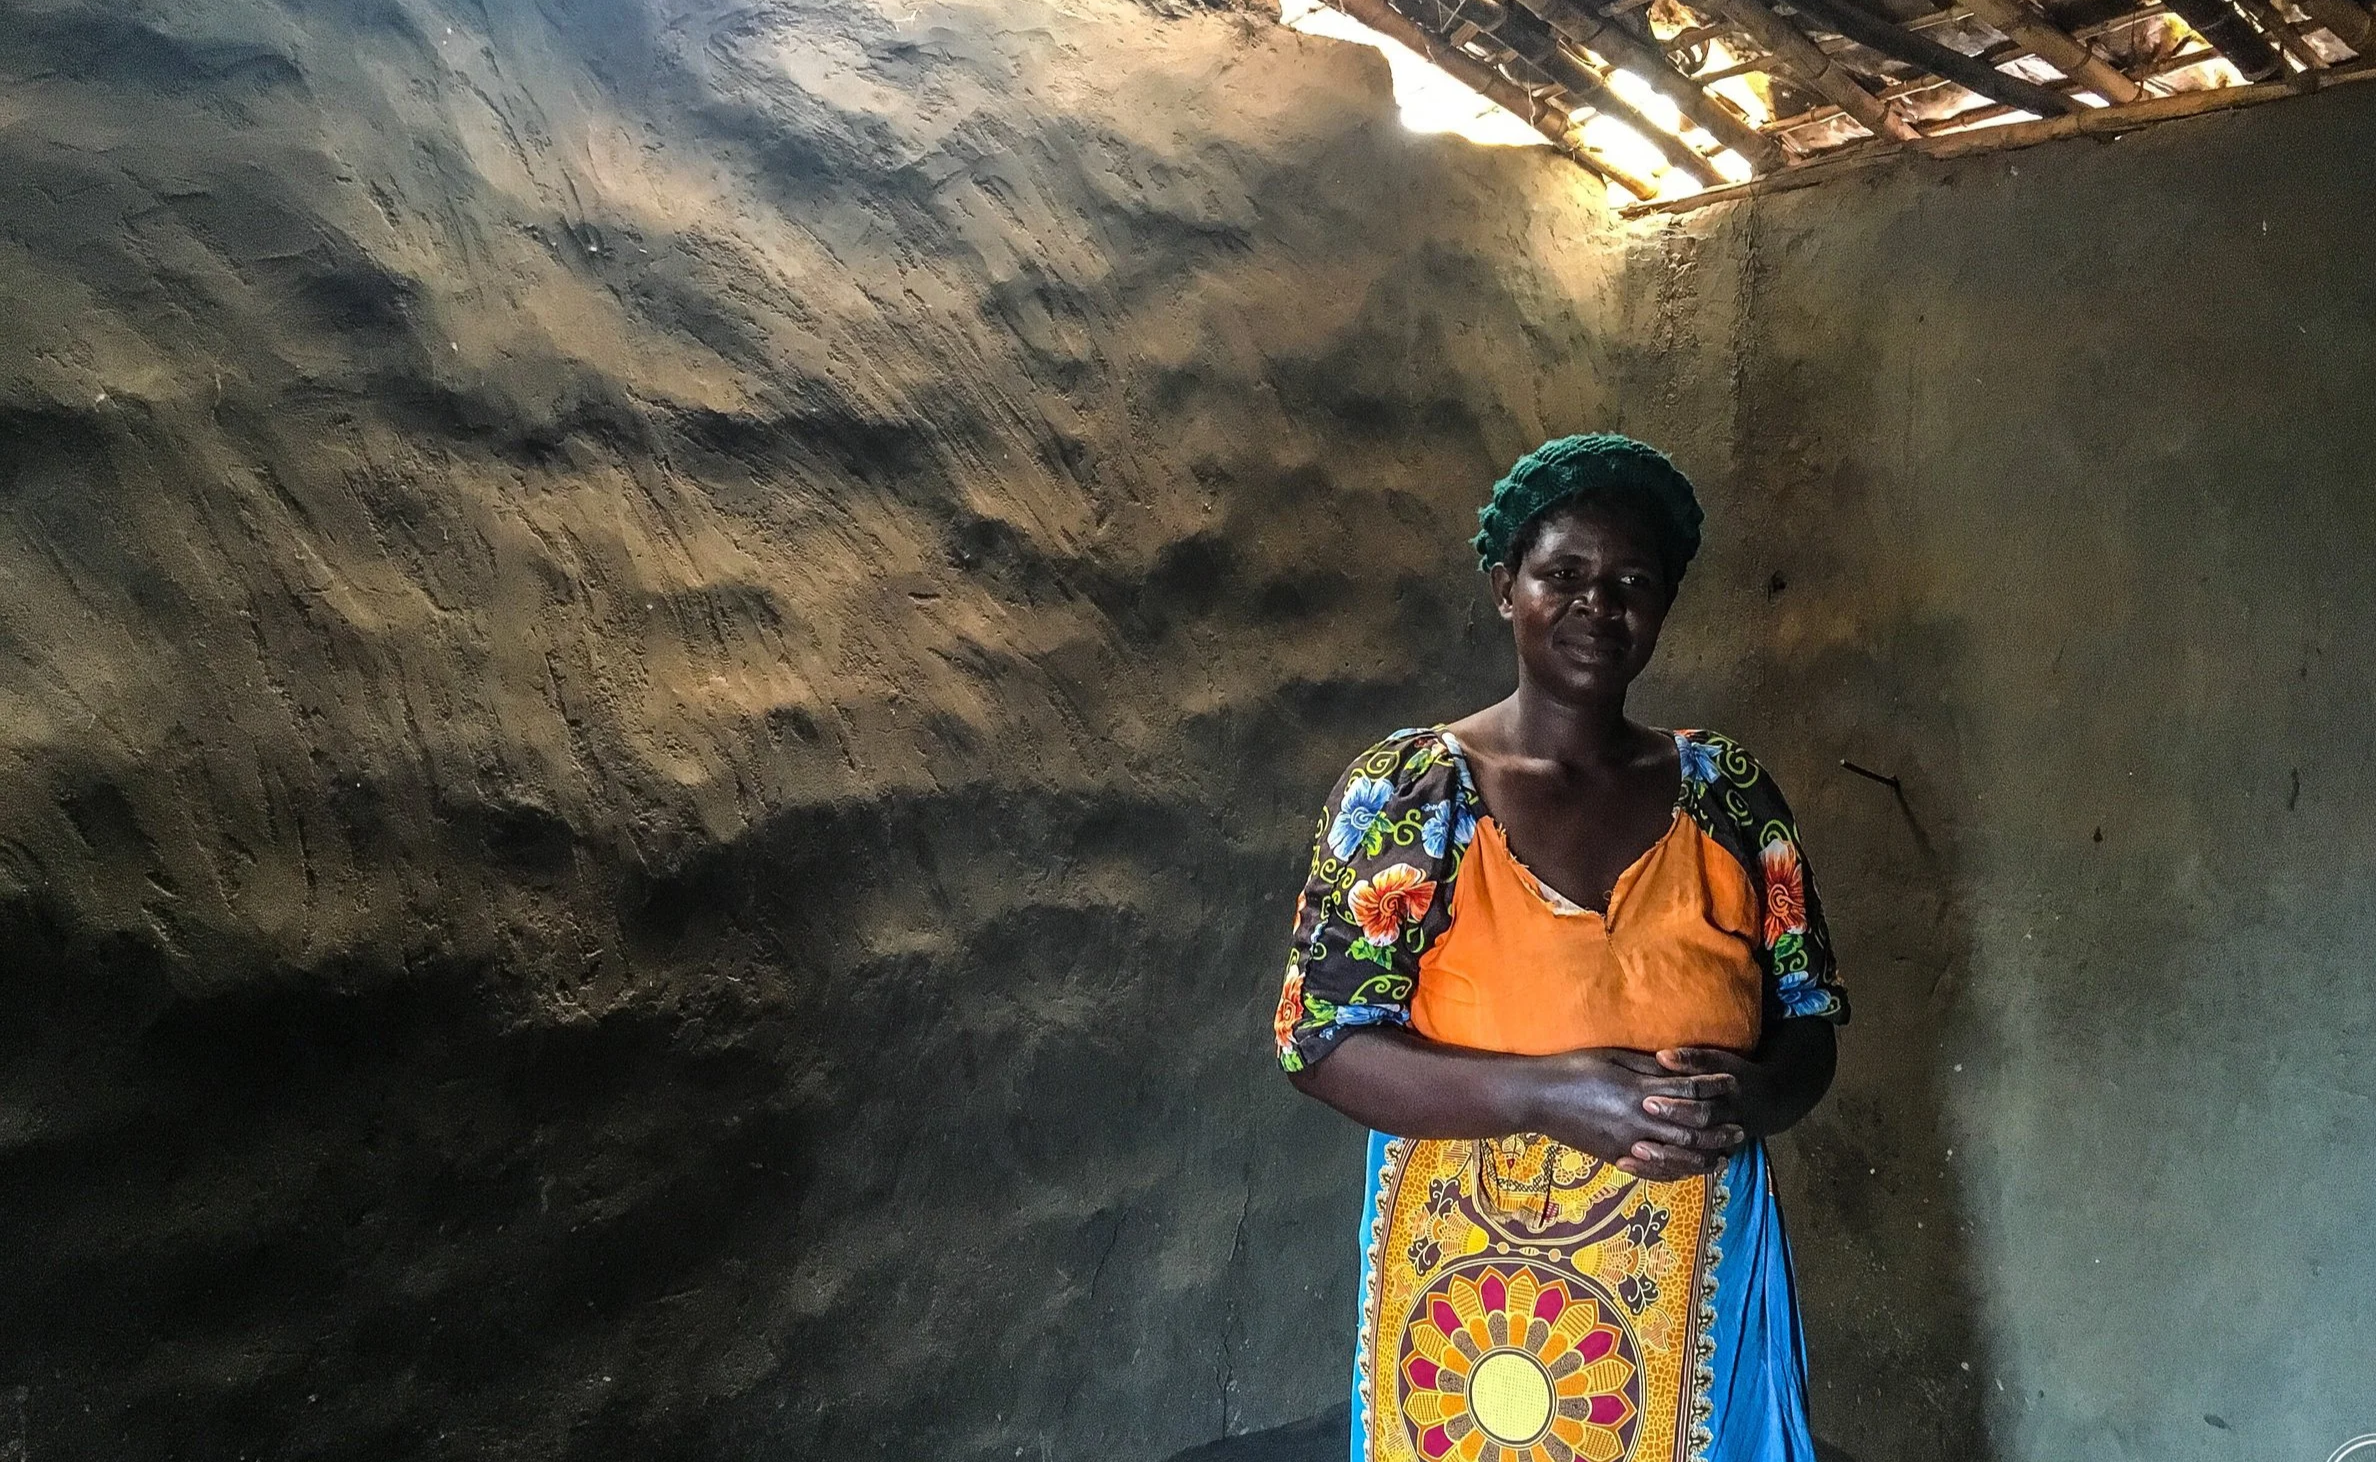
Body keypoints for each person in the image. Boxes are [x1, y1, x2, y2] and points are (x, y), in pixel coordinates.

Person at [1273, 434, 1848, 1462]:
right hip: (1473, 1304)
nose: (1599, 606)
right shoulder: (1415, 796)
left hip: (1695, 1274)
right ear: (1506, 588)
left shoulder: (1729, 796)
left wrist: (1753, 1097)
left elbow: (1806, 1021)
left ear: (1665, 604)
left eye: (1633, 582)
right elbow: (1317, 1039)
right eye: (1564, 575)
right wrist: (1545, 1093)